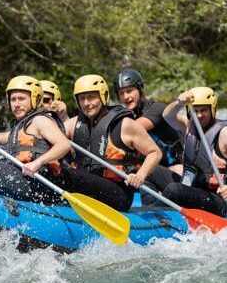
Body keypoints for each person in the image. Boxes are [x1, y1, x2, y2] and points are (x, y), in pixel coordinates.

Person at [0, 76, 73, 204]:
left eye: (21, 99)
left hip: (34, 182)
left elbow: (64, 144)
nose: (16, 104)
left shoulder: (40, 120)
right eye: (13, 99)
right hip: (19, 177)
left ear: (34, 99)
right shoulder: (19, 128)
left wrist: (37, 163)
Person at [66, 74, 173, 211]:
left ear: (103, 96)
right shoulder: (74, 124)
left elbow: (155, 153)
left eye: (91, 97)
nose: (87, 103)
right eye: (82, 98)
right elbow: (55, 138)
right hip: (88, 188)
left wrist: (140, 175)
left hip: (118, 194)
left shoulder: (125, 125)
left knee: (69, 175)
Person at [160, 86, 227, 217]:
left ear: (212, 109)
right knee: (151, 172)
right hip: (192, 186)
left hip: (216, 199)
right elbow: (167, 116)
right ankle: (152, 213)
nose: (199, 115)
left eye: (204, 110)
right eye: (196, 111)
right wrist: (179, 102)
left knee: (174, 190)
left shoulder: (226, 134)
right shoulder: (189, 125)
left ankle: (165, 220)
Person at [115, 68, 183, 168]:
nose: (125, 97)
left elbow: (134, 128)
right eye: (121, 93)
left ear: (139, 89)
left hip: (176, 166)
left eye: (129, 91)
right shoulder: (127, 115)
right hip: (155, 168)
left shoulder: (157, 108)